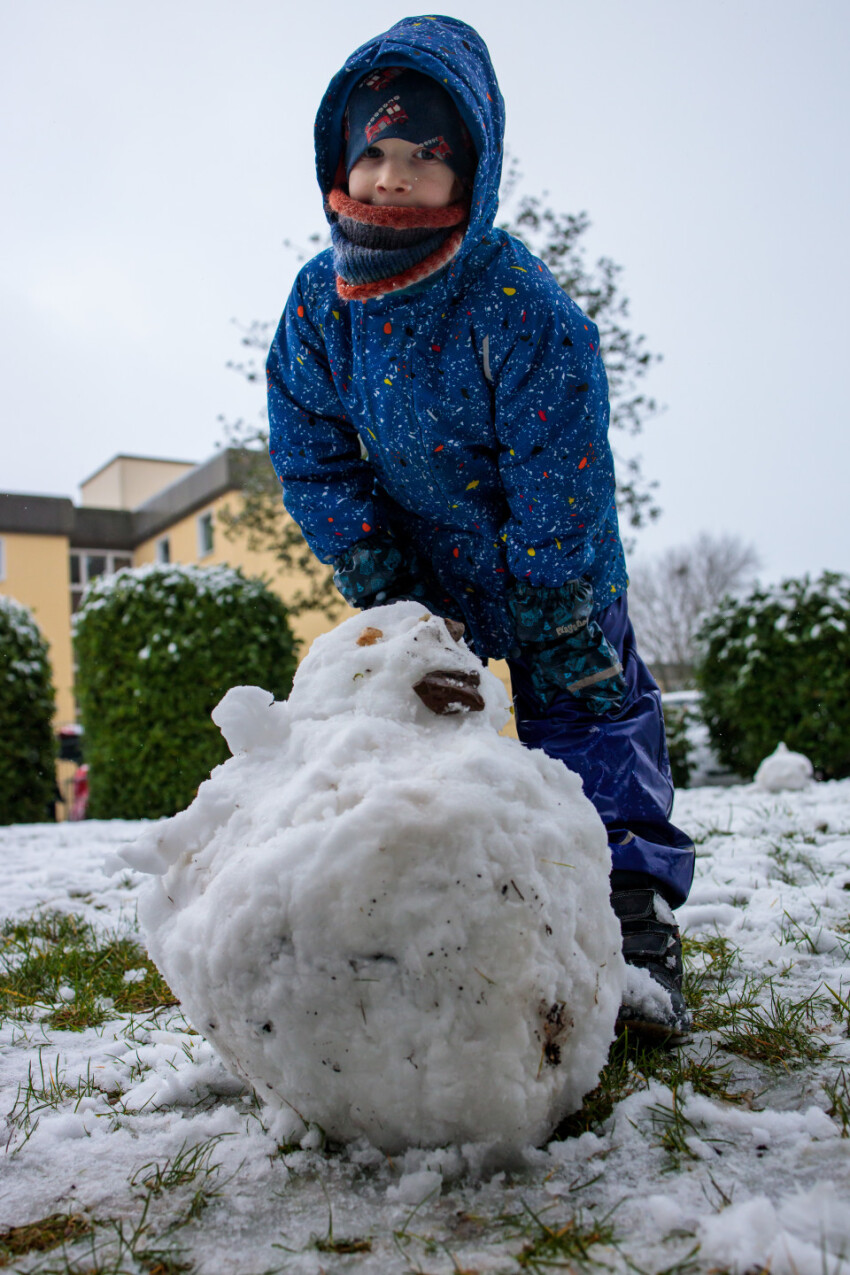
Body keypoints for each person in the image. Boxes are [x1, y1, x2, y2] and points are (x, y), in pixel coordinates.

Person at [266, 15, 694, 1038]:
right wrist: (381, 574)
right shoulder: (320, 309)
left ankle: (634, 933)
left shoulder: (518, 303)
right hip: (422, 570)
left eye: (424, 154)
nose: (391, 175)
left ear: (473, 169)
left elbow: (562, 463)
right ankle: (441, 926)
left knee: (590, 725)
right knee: (422, 740)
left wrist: (553, 598)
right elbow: (312, 446)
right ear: (340, 159)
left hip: (556, 567)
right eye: (373, 149)